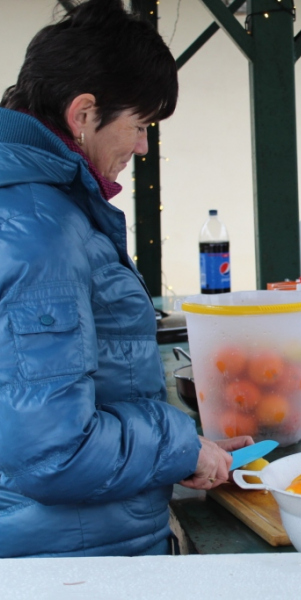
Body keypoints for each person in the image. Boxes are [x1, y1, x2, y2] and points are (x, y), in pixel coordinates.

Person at [0, 0, 251, 558]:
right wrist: (180, 447)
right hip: (73, 562)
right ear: (83, 113)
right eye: (138, 126)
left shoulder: (40, 207)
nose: (142, 146)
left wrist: (183, 449)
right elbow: (54, 453)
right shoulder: (39, 227)